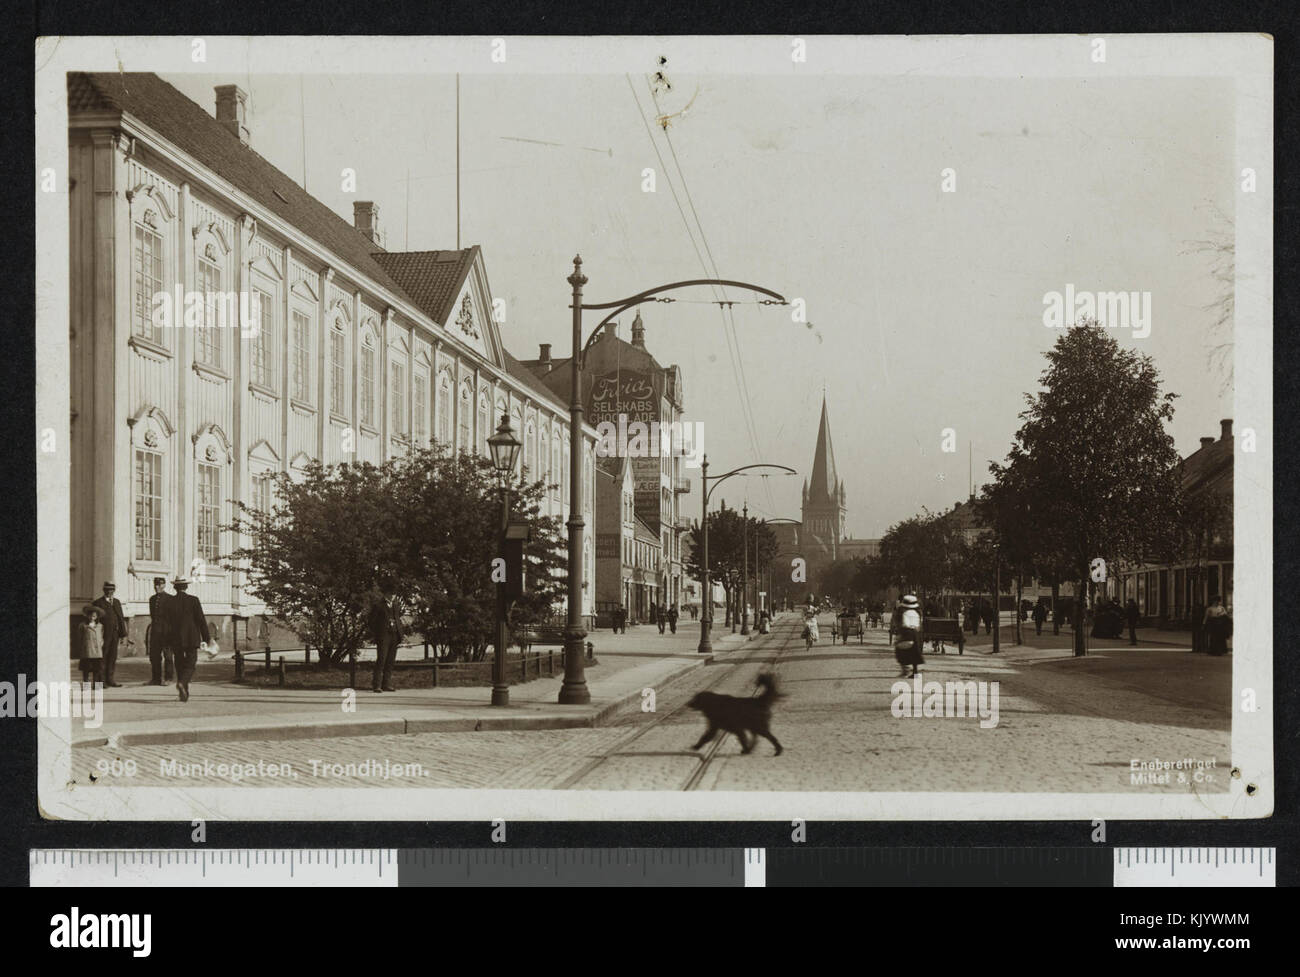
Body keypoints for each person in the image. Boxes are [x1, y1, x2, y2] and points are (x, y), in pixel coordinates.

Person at [168, 575, 210, 702]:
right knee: (191, 663)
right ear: (186, 586)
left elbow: (167, 622)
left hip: (176, 638)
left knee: (179, 663)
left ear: (175, 587)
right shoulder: (193, 600)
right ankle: (182, 683)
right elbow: (201, 620)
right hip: (191, 638)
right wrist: (207, 638)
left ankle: (183, 693)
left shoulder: (170, 602)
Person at [368, 577, 404, 692]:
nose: (393, 596)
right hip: (383, 636)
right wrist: (378, 632)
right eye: (391, 594)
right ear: (386, 593)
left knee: (390, 661)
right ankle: (376, 685)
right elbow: (371, 621)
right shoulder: (378, 605)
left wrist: (400, 632)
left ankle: (386, 684)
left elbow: (398, 619)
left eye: (394, 594)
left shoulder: (396, 605)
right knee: (381, 660)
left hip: (394, 635)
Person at [92, 581, 127, 688]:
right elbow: (94, 621)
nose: (110, 592)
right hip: (103, 634)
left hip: (115, 634)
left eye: (112, 590)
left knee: (112, 656)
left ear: (114, 591)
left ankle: (110, 679)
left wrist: (123, 634)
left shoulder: (116, 602)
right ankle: (100, 681)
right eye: (107, 590)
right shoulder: (98, 603)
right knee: (102, 657)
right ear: (104, 590)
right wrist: (97, 636)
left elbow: (120, 618)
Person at [147, 576, 175, 685]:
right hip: (155, 632)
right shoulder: (152, 599)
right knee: (154, 656)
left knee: (168, 656)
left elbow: (173, 618)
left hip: (167, 632)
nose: (157, 587)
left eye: (159, 585)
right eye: (155, 585)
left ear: (164, 585)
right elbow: (153, 616)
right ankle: (156, 678)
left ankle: (168, 678)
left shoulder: (170, 599)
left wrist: (171, 633)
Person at [895, 594, 925, 678]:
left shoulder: (902, 611)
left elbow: (900, 623)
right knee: (915, 653)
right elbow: (920, 624)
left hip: (907, 632)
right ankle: (915, 672)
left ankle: (905, 669)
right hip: (917, 634)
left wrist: (899, 634)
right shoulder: (918, 611)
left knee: (899, 649)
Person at [79, 604, 104, 688]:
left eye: (94, 616)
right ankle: (86, 685)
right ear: (87, 616)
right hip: (87, 651)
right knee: (86, 669)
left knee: (97, 669)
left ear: (96, 617)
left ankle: (97, 686)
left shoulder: (100, 626)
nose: (91, 617)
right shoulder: (83, 625)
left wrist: (101, 643)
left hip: (97, 652)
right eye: (90, 615)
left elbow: (101, 636)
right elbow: (80, 636)